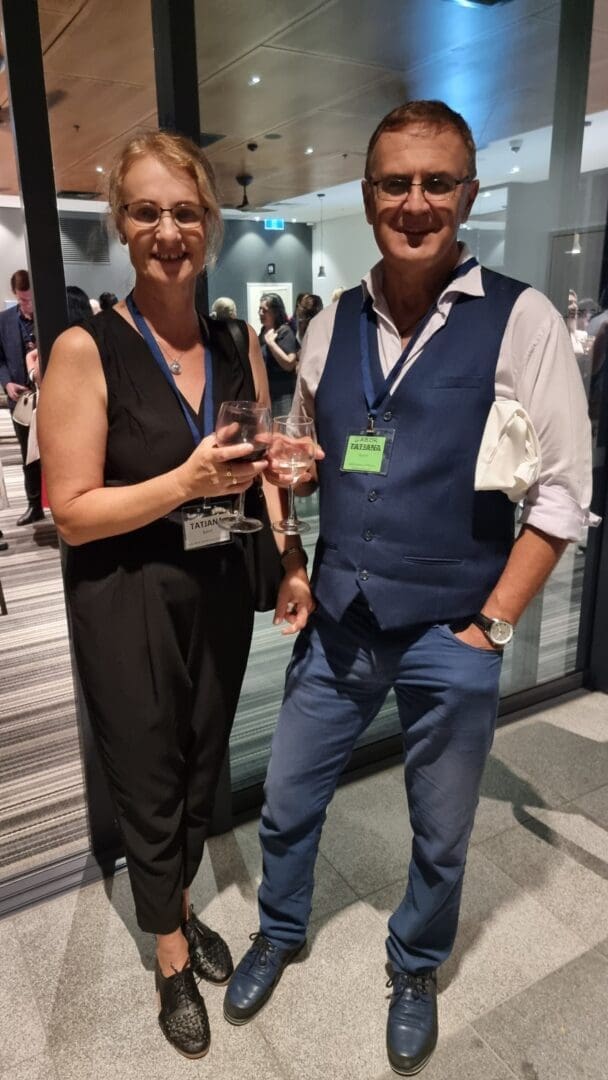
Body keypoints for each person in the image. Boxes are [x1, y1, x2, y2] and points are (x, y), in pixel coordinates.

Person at [224, 100, 595, 1075]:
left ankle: (415, 964)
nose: (415, 202)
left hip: (453, 628)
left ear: (467, 195)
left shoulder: (518, 319)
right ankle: (279, 927)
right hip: (341, 619)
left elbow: (561, 495)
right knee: (289, 796)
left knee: (439, 829)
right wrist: (296, 544)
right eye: (395, 182)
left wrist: (492, 624)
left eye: (437, 182)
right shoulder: (331, 319)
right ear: (367, 193)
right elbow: (301, 452)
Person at [37, 130, 311, 1060]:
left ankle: (181, 904)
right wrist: (182, 487)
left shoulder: (240, 341)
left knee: (200, 767)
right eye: (147, 210)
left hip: (220, 582)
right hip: (127, 593)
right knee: (148, 775)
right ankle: (166, 954)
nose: (168, 229)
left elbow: (265, 463)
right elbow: (71, 512)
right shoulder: (86, 348)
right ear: (122, 224)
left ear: (210, 224)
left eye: (186, 211)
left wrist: (290, 542)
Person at [0, 269, 44, 526]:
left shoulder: (49, 316)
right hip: (22, 402)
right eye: (22, 300)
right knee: (29, 454)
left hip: (52, 398)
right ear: (15, 295)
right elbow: (1, 360)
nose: (27, 305)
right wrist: (6, 384)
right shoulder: (4, 321)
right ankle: (34, 504)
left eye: (30, 299)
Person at [258, 292, 299, 415]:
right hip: (268, 393)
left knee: (281, 431)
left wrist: (271, 343)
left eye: (264, 310)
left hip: (282, 395)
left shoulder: (284, 332)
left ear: (275, 313)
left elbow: (289, 363)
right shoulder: (262, 332)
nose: (260, 313)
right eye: (259, 309)